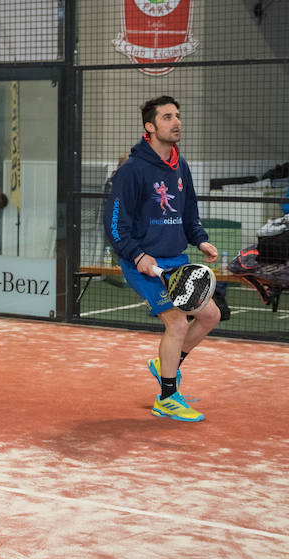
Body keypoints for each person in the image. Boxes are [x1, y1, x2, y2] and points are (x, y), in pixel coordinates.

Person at [103, 95, 220, 423]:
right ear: (150, 127)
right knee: (178, 322)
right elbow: (114, 225)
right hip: (142, 262)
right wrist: (137, 254)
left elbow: (189, 212)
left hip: (177, 258)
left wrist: (201, 240)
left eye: (177, 116)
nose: (176, 122)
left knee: (210, 316)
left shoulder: (181, 166)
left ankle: (166, 365)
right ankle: (167, 398)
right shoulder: (131, 171)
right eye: (167, 117)